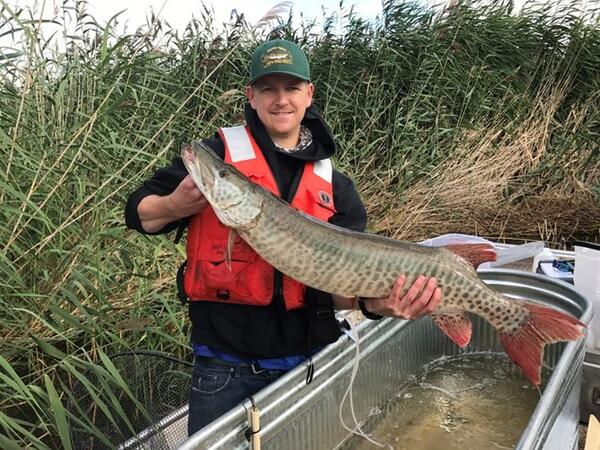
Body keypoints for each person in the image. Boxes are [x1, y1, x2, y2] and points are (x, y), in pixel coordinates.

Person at [124, 39, 441, 436]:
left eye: (291, 88)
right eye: (268, 89)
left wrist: (376, 305)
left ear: (308, 95)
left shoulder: (336, 186)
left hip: (307, 364)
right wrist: (175, 205)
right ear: (251, 96)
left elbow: (340, 286)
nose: (281, 100)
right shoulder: (218, 154)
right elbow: (138, 213)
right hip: (224, 367)